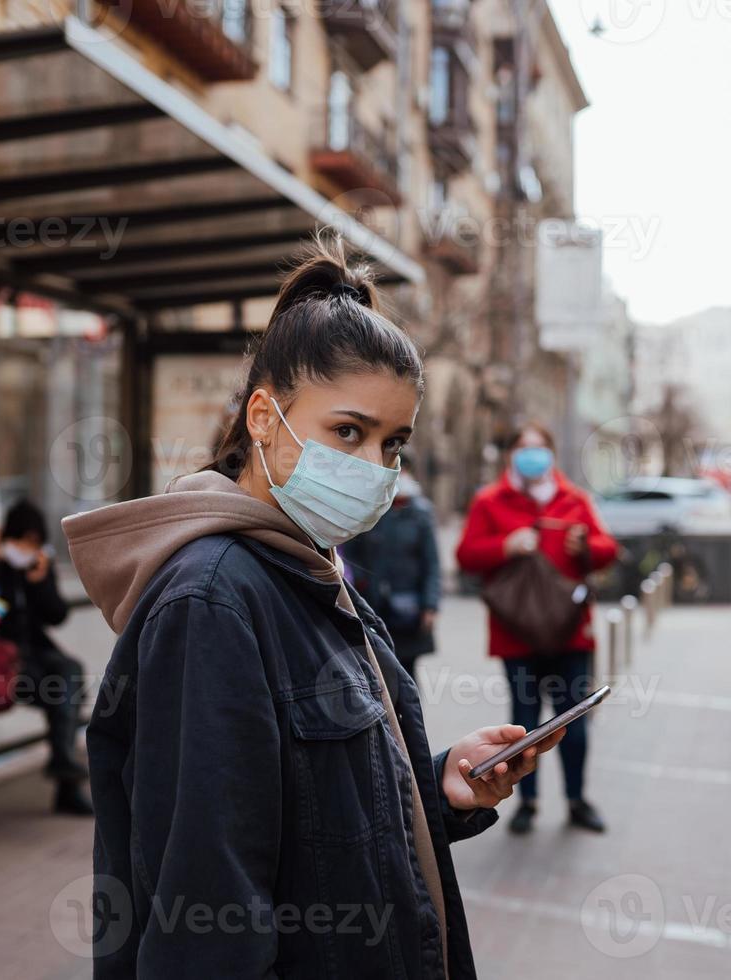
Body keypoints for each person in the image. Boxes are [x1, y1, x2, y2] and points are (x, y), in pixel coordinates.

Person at [65, 238, 561, 978]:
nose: (374, 470)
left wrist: (438, 787)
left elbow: (311, 816)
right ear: (264, 418)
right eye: (348, 432)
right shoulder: (213, 600)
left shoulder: (307, 567)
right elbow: (206, 914)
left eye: (394, 444)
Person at [456, 423, 619, 836]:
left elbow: (608, 550)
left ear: (551, 453)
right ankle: (525, 802)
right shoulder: (490, 501)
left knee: (575, 723)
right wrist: (505, 546)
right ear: (511, 455)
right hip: (517, 635)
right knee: (522, 725)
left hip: (570, 634)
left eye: (539, 448)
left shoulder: (574, 499)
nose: (532, 456)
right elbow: (466, 555)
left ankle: (576, 799)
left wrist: (585, 547)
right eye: (523, 449)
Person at [0, 500, 92, 816]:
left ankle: (64, 768)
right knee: (64, 691)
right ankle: (66, 778)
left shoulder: (33, 568)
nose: (27, 549)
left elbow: (57, 615)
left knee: (68, 673)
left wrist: (41, 583)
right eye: (22, 541)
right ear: (6, 536)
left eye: (34, 543)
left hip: (30, 656)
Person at [340, 452, 442, 681]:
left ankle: (408, 716)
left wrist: (430, 604)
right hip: (373, 604)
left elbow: (431, 563)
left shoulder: (421, 513)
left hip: (409, 608)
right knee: (376, 671)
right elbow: (350, 556)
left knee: (406, 673)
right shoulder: (368, 510)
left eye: (403, 470)